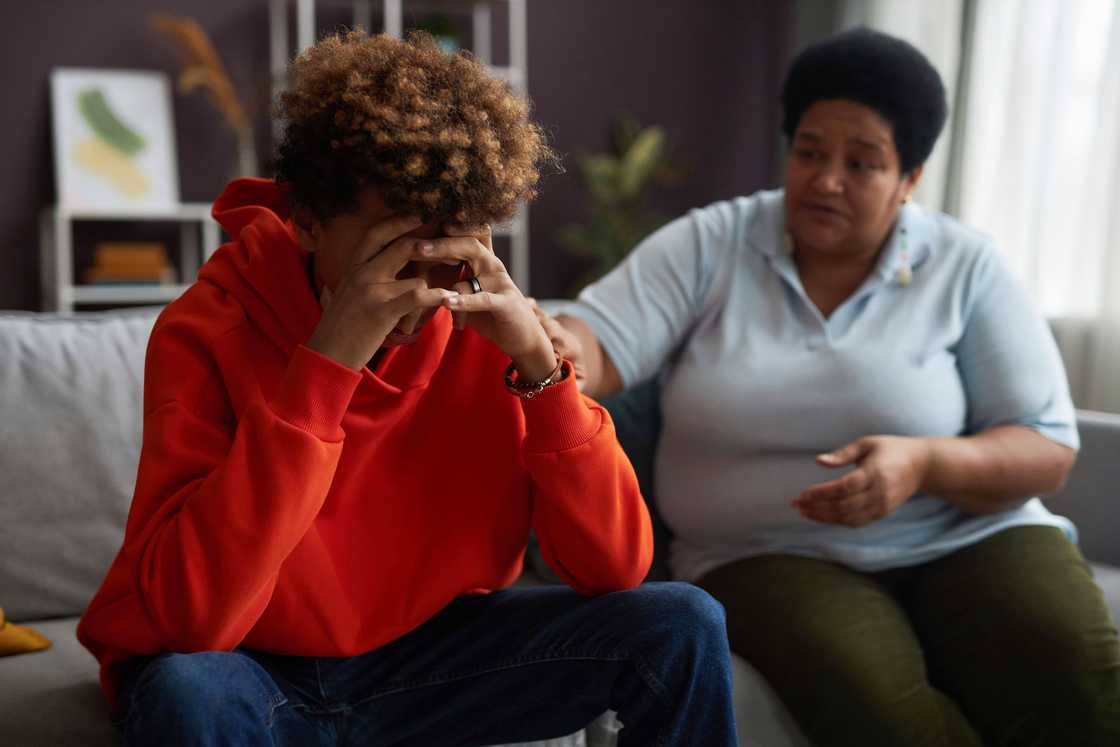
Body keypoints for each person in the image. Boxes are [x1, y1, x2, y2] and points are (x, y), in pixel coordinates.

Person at [77, 31, 738, 747]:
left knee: (681, 624)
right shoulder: (206, 329)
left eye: (452, 254)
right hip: (247, 664)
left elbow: (613, 566)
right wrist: (327, 366)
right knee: (183, 690)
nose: (423, 293)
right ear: (306, 219)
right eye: (393, 252)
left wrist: (546, 381)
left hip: (425, 664)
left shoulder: (485, 330)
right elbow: (192, 620)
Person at [553, 27, 1120, 746]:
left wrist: (923, 464)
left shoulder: (966, 265)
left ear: (911, 179)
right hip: (762, 550)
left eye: (863, 163)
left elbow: (1046, 446)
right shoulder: (712, 244)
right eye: (810, 151)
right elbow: (597, 342)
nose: (825, 180)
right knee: (878, 704)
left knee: (1069, 668)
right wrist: (552, 342)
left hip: (970, 531)